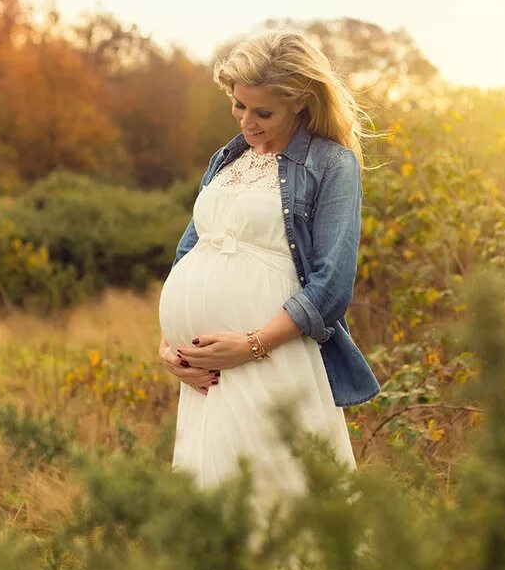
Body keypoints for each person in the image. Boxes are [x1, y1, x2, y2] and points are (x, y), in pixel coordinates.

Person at [157, 28, 382, 531]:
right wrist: (172, 349)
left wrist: (252, 345)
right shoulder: (228, 158)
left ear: (299, 101)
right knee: (213, 503)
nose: (247, 121)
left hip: (270, 360)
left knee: (275, 504)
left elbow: (331, 285)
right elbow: (189, 253)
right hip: (205, 372)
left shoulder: (331, 163)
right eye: (239, 106)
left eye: (263, 112)